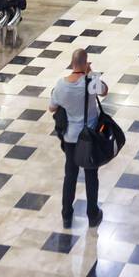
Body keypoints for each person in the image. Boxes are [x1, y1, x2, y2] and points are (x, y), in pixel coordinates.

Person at [48, 48, 107, 227]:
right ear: (86, 63)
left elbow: (51, 108)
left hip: (70, 138)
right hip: (89, 137)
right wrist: (91, 74)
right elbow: (104, 91)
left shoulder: (61, 85)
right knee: (91, 175)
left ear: (72, 63)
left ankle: (67, 214)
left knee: (70, 175)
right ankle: (92, 213)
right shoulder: (91, 82)